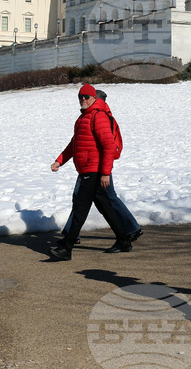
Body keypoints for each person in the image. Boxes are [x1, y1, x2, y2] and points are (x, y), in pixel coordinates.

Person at [49, 84, 131, 260]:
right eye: (80, 97)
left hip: (94, 170)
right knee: (104, 206)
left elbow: (109, 146)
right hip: (87, 169)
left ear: (94, 97)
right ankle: (124, 240)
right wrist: (59, 161)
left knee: (80, 207)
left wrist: (105, 173)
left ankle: (67, 248)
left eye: (86, 96)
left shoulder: (98, 116)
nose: (83, 99)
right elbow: (74, 145)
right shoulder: (82, 118)